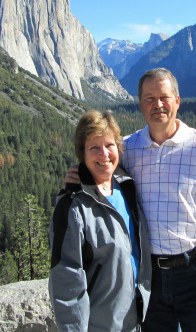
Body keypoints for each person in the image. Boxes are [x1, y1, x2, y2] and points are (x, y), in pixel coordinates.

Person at [65, 68, 196, 332]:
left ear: (177, 101)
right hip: (148, 277)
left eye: (164, 97)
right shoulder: (128, 149)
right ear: (140, 104)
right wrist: (79, 176)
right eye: (149, 98)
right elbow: (102, 163)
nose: (157, 104)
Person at [49, 110, 151, 332]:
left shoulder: (127, 187)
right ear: (82, 154)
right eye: (94, 148)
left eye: (109, 145)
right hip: (101, 325)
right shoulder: (73, 205)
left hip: (137, 321)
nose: (104, 154)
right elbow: (66, 282)